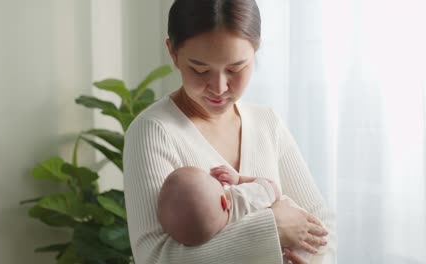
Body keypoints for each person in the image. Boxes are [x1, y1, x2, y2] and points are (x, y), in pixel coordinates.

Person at [123, 0, 337, 263]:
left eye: (236, 69)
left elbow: (322, 224)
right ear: (173, 53)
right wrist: (274, 229)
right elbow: (155, 257)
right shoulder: (153, 132)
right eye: (200, 69)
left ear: (256, 51)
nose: (219, 87)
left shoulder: (265, 122)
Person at [157, 165, 323, 263]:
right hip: (304, 239)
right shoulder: (243, 198)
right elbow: (271, 187)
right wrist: (240, 180)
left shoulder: (213, 242)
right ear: (224, 201)